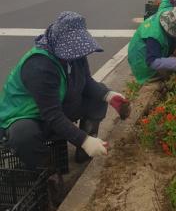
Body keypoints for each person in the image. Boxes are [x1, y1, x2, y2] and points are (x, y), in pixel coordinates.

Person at [0, 12, 130, 172]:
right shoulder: (40, 66)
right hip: (27, 115)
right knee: (23, 135)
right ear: (59, 45)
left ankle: (84, 152)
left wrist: (109, 95)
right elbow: (52, 115)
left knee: (96, 98)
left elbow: (86, 82)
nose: (77, 54)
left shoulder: (75, 54)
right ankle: (46, 170)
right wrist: (83, 140)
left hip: (55, 106)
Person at [128, 7, 176, 85]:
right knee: (157, 82)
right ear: (167, 27)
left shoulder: (173, 16)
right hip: (141, 57)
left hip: (154, 50)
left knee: (174, 69)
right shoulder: (154, 36)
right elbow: (152, 62)